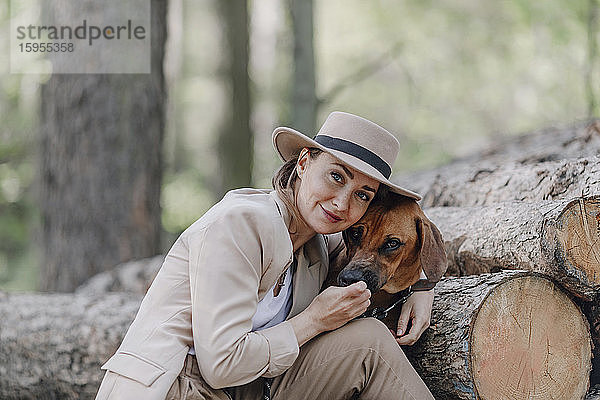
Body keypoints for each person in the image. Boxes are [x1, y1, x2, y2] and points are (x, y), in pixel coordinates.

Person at [95, 111, 442, 400]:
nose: (342, 203)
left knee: (371, 342)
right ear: (304, 163)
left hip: (244, 391)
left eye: (362, 195)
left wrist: (424, 288)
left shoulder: (319, 242)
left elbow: (393, 254)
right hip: (174, 386)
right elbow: (222, 365)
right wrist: (314, 320)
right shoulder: (240, 223)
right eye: (336, 177)